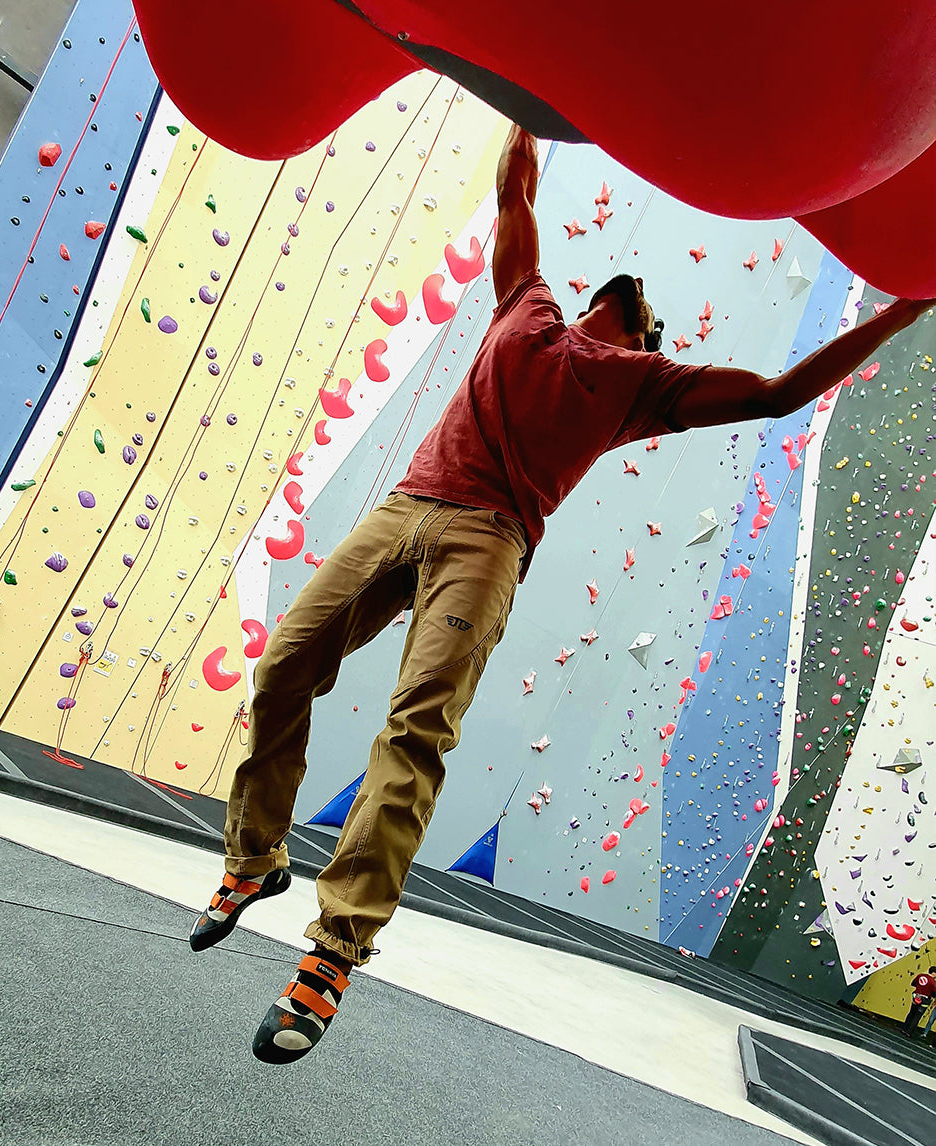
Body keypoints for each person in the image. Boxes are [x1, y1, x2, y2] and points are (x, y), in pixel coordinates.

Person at [187, 123, 936, 1064]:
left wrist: (895, 317)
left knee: (417, 725)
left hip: (487, 540)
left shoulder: (641, 385)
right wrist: (524, 107)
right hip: (406, 506)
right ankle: (254, 861)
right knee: (288, 666)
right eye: (622, 290)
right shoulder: (526, 305)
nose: (630, 296)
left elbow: (780, 395)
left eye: (645, 308)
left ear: (646, 337)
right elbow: (516, 191)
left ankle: (332, 955)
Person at [904, 966, 936, 1035]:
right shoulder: (933, 982)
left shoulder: (920, 976)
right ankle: (909, 1032)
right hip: (925, 999)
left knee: (911, 1013)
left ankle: (904, 1028)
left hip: (916, 996)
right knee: (917, 1016)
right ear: (934, 973)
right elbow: (934, 993)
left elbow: (913, 983)